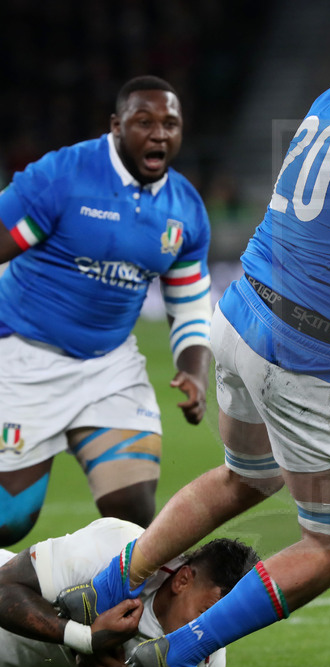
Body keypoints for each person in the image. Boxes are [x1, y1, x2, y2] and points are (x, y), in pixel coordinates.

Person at [57, 4, 330, 667]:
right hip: (304, 348)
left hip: (240, 314)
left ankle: (102, 587)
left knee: (246, 475)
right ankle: (177, 655)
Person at [0, 75, 213, 546]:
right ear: (117, 126)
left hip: (108, 365)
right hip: (22, 356)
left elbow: (189, 304)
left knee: (131, 510)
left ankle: (87, 593)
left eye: (170, 124)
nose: (159, 134)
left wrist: (194, 372)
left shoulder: (185, 210)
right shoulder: (63, 176)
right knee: (10, 520)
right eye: (144, 122)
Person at [0, 517, 258, 667]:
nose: (205, 638)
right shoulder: (117, 547)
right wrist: (86, 638)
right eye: (204, 616)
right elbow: (4, 589)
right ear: (182, 580)